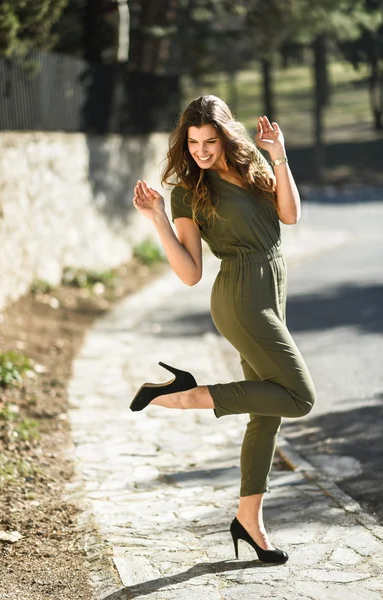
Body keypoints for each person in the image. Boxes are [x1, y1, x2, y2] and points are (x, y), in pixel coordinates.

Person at [131, 95, 316, 564]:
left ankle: (248, 521)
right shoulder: (188, 191)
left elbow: (290, 215)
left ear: (224, 135)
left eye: (209, 141)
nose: (200, 151)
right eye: (192, 142)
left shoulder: (253, 160)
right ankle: (192, 394)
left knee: (266, 413)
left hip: (271, 285)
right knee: (300, 397)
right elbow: (190, 272)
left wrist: (278, 154)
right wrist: (158, 220)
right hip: (240, 298)